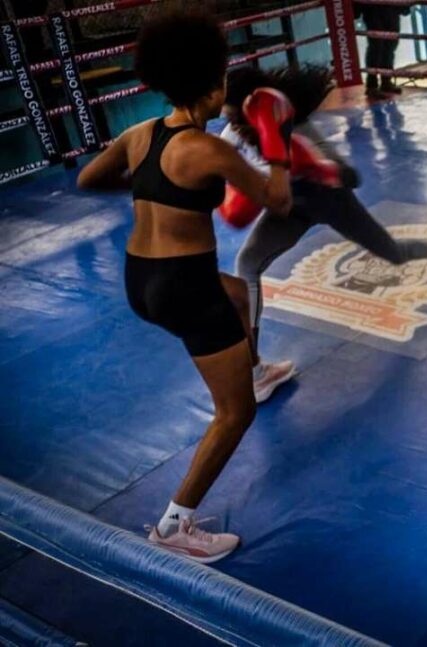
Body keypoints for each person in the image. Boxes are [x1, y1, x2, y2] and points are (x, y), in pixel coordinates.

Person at [76, 10, 294, 562]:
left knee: (238, 289)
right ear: (214, 82)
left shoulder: (137, 134)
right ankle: (175, 525)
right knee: (234, 414)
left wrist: (151, 190)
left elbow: (86, 178)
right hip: (185, 289)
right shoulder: (209, 149)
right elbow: (278, 200)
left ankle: (255, 367)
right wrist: (276, 139)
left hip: (141, 278)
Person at [217, 64, 427, 386]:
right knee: (247, 263)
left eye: (234, 116)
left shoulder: (296, 130)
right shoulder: (232, 136)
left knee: (393, 253)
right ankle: (255, 370)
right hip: (289, 209)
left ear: (250, 108)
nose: (231, 124)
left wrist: (319, 170)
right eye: (227, 118)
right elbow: (214, 163)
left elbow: (352, 177)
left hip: (331, 201)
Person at [355, 1, 409, 97]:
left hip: (390, 9)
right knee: (377, 46)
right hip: (373, 10)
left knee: (390, 46)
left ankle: (386, 81)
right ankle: (372, 85)